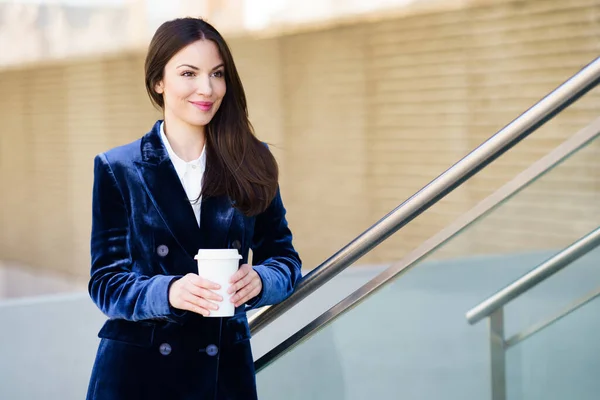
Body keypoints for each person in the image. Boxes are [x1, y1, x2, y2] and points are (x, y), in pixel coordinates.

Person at [86, 17, 302, 400]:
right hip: (137, 377)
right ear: (159, 82)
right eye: (189, 73)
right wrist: (168, 292)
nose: (207, 88)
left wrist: (262, 281)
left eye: (217, 74)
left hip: (223, 376)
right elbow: (105, 282)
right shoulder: (118, 168)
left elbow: (284, 259)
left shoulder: (252, 160)